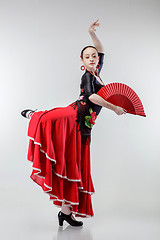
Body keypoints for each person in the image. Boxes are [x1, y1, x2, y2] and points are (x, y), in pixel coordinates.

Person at [21, 19, 126, 227]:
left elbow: (102, 49)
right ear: (82, 60)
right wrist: (114, 107)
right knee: (50, 119)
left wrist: (91, 33)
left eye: (94, 56)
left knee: (72, 167)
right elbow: (92, 98)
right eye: (87, 57)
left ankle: (65, 212)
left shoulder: (98, 72)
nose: (92, 59)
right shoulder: (88, 76)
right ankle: (35, 115)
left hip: (84, 129)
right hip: (73, 117)